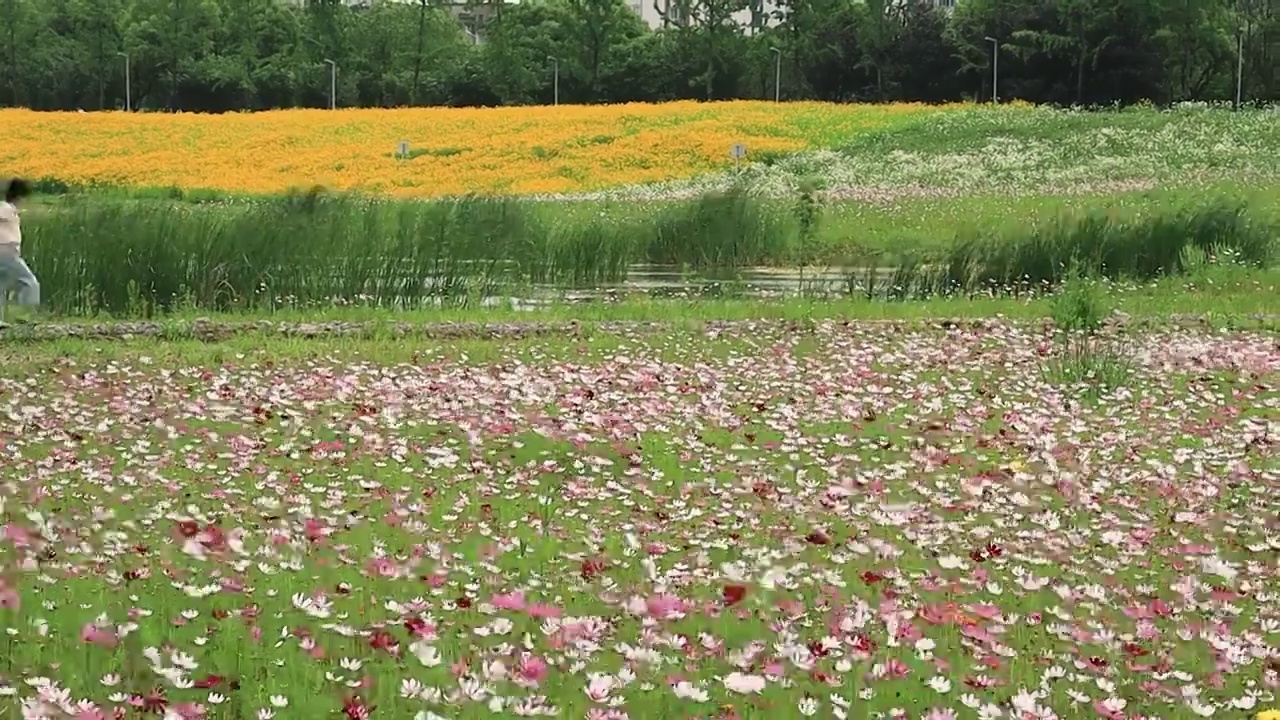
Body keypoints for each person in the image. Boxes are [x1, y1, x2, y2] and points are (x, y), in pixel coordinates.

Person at [0, 177, 40, 323]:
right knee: (30, 282)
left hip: (7, 252)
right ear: (20, 197)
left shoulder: (11, 211)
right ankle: (25, 315)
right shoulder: (6, 209)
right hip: (6, 252)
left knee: (1, 285)